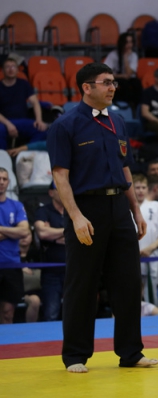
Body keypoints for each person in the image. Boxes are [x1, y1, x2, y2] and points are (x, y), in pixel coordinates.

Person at [46, 62, 158, 372]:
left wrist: (136, 210)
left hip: (119, 208)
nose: (112, 87)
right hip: (86, 209)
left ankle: (131, 352)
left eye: (113, 82)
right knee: (82, 284)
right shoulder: (65, 125)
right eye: (106, 82)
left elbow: (125, 168)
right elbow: (60, 176)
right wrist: (76, 217)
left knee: (128, 282)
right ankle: (75, 355)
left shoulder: (117, 121)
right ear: (87, 87)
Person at [134, 174, 158, 306]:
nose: (140, 191)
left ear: (148, 188)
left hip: (152, 257)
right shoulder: (126, 207)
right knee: (133, 296)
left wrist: (152, 247)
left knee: (153, 297)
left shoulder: (155, 206)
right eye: (137, 187)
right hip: (132, 257)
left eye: (143, 187)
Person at [0, 168, 30, 324]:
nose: (1, 182)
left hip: (12, 264)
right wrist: (13, 231)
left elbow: (24, 231)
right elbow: (19, 231)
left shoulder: (16, 205)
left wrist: (1, 229)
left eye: (4, 179)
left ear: (8, 182)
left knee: (8, 312)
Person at [34, 181, 66, 321]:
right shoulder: (43, 211)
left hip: (73, 270)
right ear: (51, 193)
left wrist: (52, 234)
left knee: (78, 311)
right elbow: (42, 233)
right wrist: (68, 231)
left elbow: (82, 234)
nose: (63, 191)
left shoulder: (73, 211)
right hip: (51, 271)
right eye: (58, 188)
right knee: (51, 313)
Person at [0, 57, 48, 150]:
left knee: (41, 129)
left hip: (22, 121)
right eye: (7, 67)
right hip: (4, 122)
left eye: (13, 67)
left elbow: (35, 102)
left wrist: (39, 120)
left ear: (17, 70)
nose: (10, 69)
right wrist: (8, 124)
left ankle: (25, 153)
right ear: (2, 70)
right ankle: (3, 156)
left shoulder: (24, 84)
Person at [104, 32, 142, 108]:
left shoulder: (133, 55)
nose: (129, 45)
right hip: (115, 79)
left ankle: (136, 107)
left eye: (131, 42)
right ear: (122, 43)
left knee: (137, 83)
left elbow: (128, 74)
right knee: (124, 84)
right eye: (127, 42)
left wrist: (125, 57)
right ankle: (123, 106)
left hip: (129, 79)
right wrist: (121, 76)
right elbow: (105, 73)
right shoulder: (113, 55)